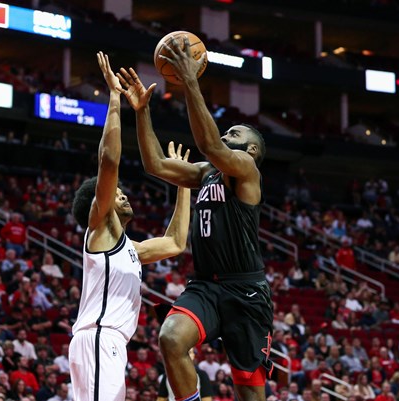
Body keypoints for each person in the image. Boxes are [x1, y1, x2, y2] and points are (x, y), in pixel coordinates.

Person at [118, 37, 272, 401]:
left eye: (234, 133)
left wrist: (190, 80)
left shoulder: (246, 170)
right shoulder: (205, 173)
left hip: (245, 291)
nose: (225, 134)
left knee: (250, 393)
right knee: (171, 337)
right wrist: (142, 112)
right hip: (205, 284)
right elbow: (154, 164)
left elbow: (210, 146)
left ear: (250, 150)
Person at [68, 52, 191, 401]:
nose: (123, 196)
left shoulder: (129, 250)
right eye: (116, 193)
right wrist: (114, 97)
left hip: (112, 344)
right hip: (98, 337)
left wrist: (183, 183)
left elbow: (175, 242)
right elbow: (108, 161)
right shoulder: (99, 232)